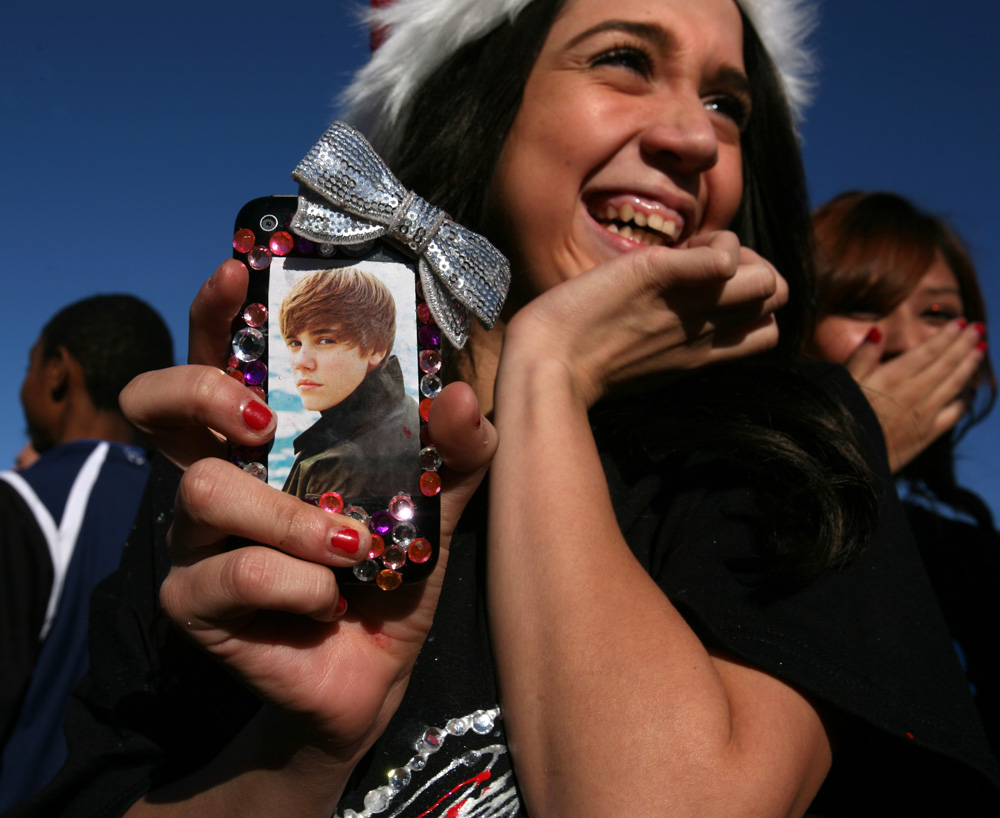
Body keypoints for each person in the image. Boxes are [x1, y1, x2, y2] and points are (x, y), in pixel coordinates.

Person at [13, 1, 999, 816]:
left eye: (727, 103)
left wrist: (546, 368)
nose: (695, 137)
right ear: (478, 96)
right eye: (623, 59)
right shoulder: (255, 474)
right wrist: (297, 758)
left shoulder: (796, 452)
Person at [809, 190, 999, 754]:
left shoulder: (976, 560)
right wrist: (856, 455)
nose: (907, 343)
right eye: (863, 307)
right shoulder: (709, 509)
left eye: (937, 313)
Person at [0, 295, 173, 810]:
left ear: (58, 370)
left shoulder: (22, 502)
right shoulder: (190, 510)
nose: (23, 385)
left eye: (30, 365)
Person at [277, 268, 420, 501]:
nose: (301, 362)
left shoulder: (335, 466)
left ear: (376, 348)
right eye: (294, 343)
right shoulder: (404, 406)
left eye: (325, 340)